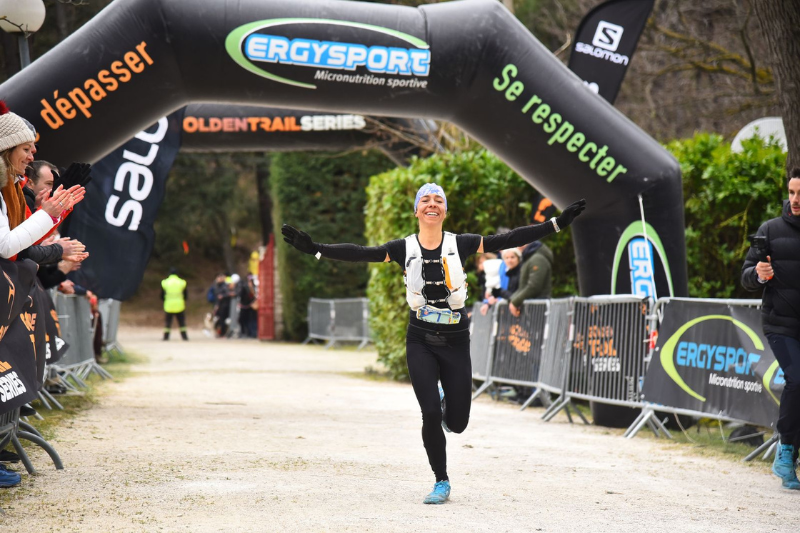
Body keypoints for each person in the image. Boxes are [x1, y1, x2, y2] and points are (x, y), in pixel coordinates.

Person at [282, 183, 585, 504]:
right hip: (420, 339)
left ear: (444, 211)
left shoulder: (463, 244)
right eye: (424, 199)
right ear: (416, 211)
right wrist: (316, 248)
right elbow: (359, 253)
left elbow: (509, 239)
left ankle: (445, 403)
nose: (431, 203)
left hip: (455, 340)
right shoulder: (402, 248)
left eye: (438, 200)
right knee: (429, 414)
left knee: (457, 423)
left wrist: (556, 224)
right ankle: (441, 480)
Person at [742, 167, 800, 491]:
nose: (794, 200)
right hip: (779, 323)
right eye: (791, 192)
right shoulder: (770, 230)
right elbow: (746, 274)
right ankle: (785, 453)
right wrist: (759, 274)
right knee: (798, 379)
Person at [508, 240, 553, 317]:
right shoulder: (529, 257)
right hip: (533, 308)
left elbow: (534, 286)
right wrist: (511, 300)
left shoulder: (537, 259)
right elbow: (523, 287)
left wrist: (515, 302)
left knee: (538, 329)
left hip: (538, 309)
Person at [161, 267, 188, 341]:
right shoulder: (181, 282)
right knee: (181, 322)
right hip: (179, 304)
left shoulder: (165, 282)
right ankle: (184, 336)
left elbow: (162, 295)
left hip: (168, 304)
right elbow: (185, 295)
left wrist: (165, 300)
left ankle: (166, 337)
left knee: (168, 322)